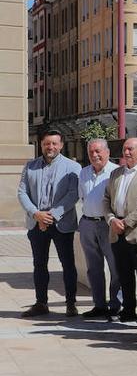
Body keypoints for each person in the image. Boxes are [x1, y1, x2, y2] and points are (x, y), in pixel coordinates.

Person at [17, 129, 80, 318]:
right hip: (37, 223)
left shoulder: (72, 167)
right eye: (47, 143)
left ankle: (71, 304)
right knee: (39, 264)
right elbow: (22, 192)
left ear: (61, 145)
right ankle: (41, 303)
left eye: (54, 143)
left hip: (62, 223)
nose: (50, 147)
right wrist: (36, 214)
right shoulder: (30, 166)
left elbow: (73, 194)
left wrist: (50, 216)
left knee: (68, 264)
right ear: (41, 145)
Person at [104, 138, 137, 324]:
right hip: (116, 231)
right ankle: (128, 309)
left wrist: (125, 222)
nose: (126, 152)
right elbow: (106, 199)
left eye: (130, 149)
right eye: (125, 149)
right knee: (124, 273)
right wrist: (111, 219)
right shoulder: (116, 173)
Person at [77, 138, 121, 320]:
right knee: (93, 268)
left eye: (98, 151)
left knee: (115, 267)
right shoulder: (84, 172)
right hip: (87, 223)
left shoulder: (115, 172)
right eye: (91, 152)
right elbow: (82, 197)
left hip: (107, 224)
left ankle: (116, 306)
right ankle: (99, 305)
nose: (94, 155)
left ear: (107, 152)